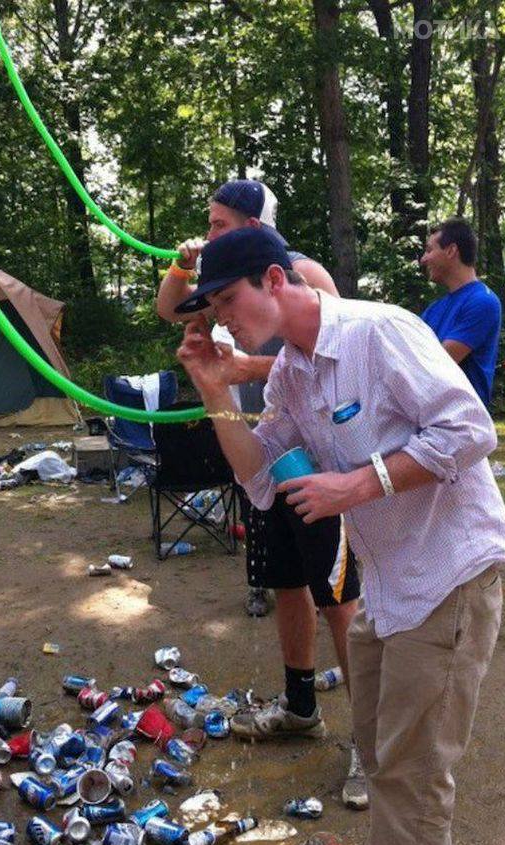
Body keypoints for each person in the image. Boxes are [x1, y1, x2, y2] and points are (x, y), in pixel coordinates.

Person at [175, 226, 505, 845]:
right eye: (212, 309)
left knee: (413, 777)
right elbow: (259, 477)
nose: (222, 321)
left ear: (275, 280)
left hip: (448, 579)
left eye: (227, 301)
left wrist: (358, 485)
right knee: (387, 761)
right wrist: (215, 391)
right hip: (387, 589)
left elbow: (471, 430)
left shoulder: (377, 332)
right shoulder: (292, 371)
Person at [156, 180, 366, 811]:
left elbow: (336, 357)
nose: (208, 233)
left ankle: (371, 739)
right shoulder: (225, 283)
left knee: (340, 596)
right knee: (286, 583)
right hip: (259, 445)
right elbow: (170, 310)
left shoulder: (302, 274)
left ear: (252, 225)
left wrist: (246, 368)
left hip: (316, 459)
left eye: (218, 224)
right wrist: (184, 266)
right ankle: (300, 706)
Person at [420, 217, 502, 407]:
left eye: (429, 250)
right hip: (432, 417)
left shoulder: (483, 302)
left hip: (463, 421)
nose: (424, 259)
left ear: (451, 251)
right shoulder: (434, 309)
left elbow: (435, 365)